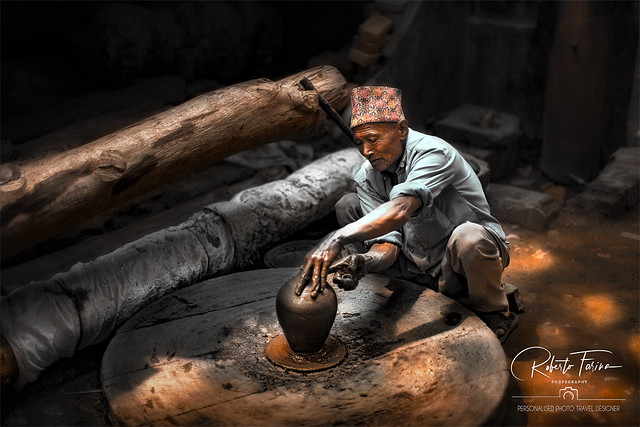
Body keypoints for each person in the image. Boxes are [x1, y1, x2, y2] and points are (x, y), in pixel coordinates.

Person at [294, 86, 517, 343]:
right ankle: (413, 285)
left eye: (373, 139)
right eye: (360, 143)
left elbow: (400, 210)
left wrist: (336, 238)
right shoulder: (368, 177)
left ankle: (495, 311)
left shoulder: (433, 153)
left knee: (469, 238)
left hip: (459, 263)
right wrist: (364, 261)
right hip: (415, 264)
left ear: (401, 129)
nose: (366, 151)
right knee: (348, 205)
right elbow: (387, 245)